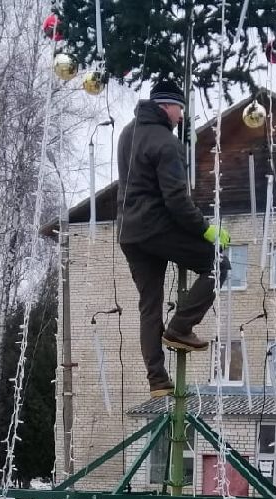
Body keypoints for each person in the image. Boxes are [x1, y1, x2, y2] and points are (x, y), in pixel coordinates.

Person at [117, 79, 231, 397]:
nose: (181, 116)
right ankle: (180, 328)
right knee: (218, 263)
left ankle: (157, 379)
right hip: (156, 227)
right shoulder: (166, 143)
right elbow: (178, 202)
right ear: (167, 106)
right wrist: (206, 230)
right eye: (179, 109)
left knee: (149, 305)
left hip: (129, 232)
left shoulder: (127, 133)